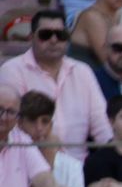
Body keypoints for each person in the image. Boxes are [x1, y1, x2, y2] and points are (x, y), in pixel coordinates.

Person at [0, 9, 111, 162]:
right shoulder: (12, 70)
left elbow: (101, 124)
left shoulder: (83, 71)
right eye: (45, 35)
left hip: (80, 166)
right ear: (31, 37)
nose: (53, 40)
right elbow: (13, 126)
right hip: (30, 164)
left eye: (60, 35)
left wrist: (114, 157)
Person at [16, 90, 87, 187]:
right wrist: (47, 162)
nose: (39, 128)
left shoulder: (72, 165)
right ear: (19, 123)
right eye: (33, 121)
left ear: (52, 124)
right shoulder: (13, 153)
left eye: (45, 121)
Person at [0, 85, 64, 187]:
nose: (4, 117)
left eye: (10, 112)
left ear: (17, 117)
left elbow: (46, 182)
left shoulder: (21, 140)